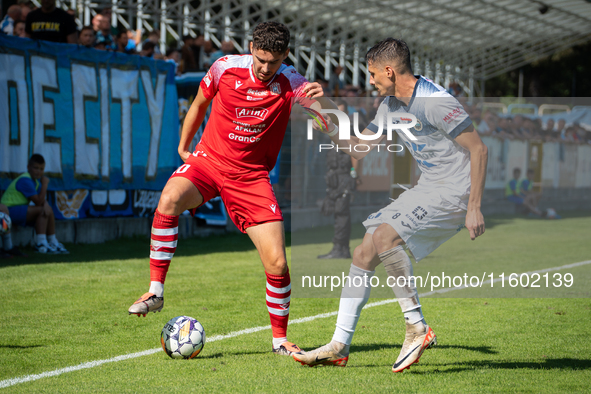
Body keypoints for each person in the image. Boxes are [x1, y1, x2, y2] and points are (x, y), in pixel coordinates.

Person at [127, 22, 325, 357]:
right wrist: (184, 146)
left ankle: (279, 340)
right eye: (261, 59)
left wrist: (326, 112)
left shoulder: (291, 81)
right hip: (209, 162)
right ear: (251, 48)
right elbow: (199, 104)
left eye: (273, 62)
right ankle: (155, 291)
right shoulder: (224, 68)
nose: (265, 68)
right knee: (170, 197)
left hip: (250, 178)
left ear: (285, 57)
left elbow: (321, 115)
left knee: (277, 262)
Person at [294, 38, 488, 372]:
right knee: (363, 253)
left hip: (455, 191)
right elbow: (358, 149)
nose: (370, 81)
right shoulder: (390, 106)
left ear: (389, 71)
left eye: (372, 74)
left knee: (385, 237)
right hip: (428, 188)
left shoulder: (435, 102)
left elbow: (479, 149)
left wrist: (474, 206)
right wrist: (324, 111)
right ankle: (338, 346)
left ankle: (416, 328)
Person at [0, 154, 69, 254]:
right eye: (36, 168)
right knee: (42, 210)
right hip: (7, 211)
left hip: (18, 210)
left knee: (48, 209)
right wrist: (45, 184)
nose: (39, 172)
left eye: (41, 169)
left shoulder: (35, 182)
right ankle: (41, 243)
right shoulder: (25, 180)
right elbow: (38, 201)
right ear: (28, 167)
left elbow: (41, 200)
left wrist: (45, 204)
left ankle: (53, 241)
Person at [318, 100, 357, 259]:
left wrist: (354, 174)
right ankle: (339, 248)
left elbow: (356, 153)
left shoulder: (349, 130)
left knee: (342, 212)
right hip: (333, 177)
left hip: (344, 175)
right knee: (337, 212)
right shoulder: (331, 130)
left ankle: (341, 249)